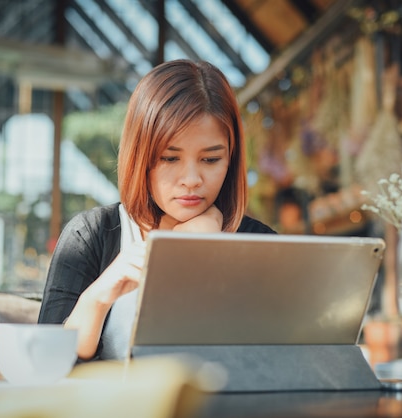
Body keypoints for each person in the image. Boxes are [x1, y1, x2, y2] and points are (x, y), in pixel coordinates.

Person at [38, 59, 276, 361]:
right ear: (140, 156)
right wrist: (98, 298)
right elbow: (45, 363)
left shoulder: (262, 246)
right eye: (169, 158)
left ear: (231, 159)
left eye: (211, 160)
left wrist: (198, 240)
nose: (192, 180)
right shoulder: (93, 236)